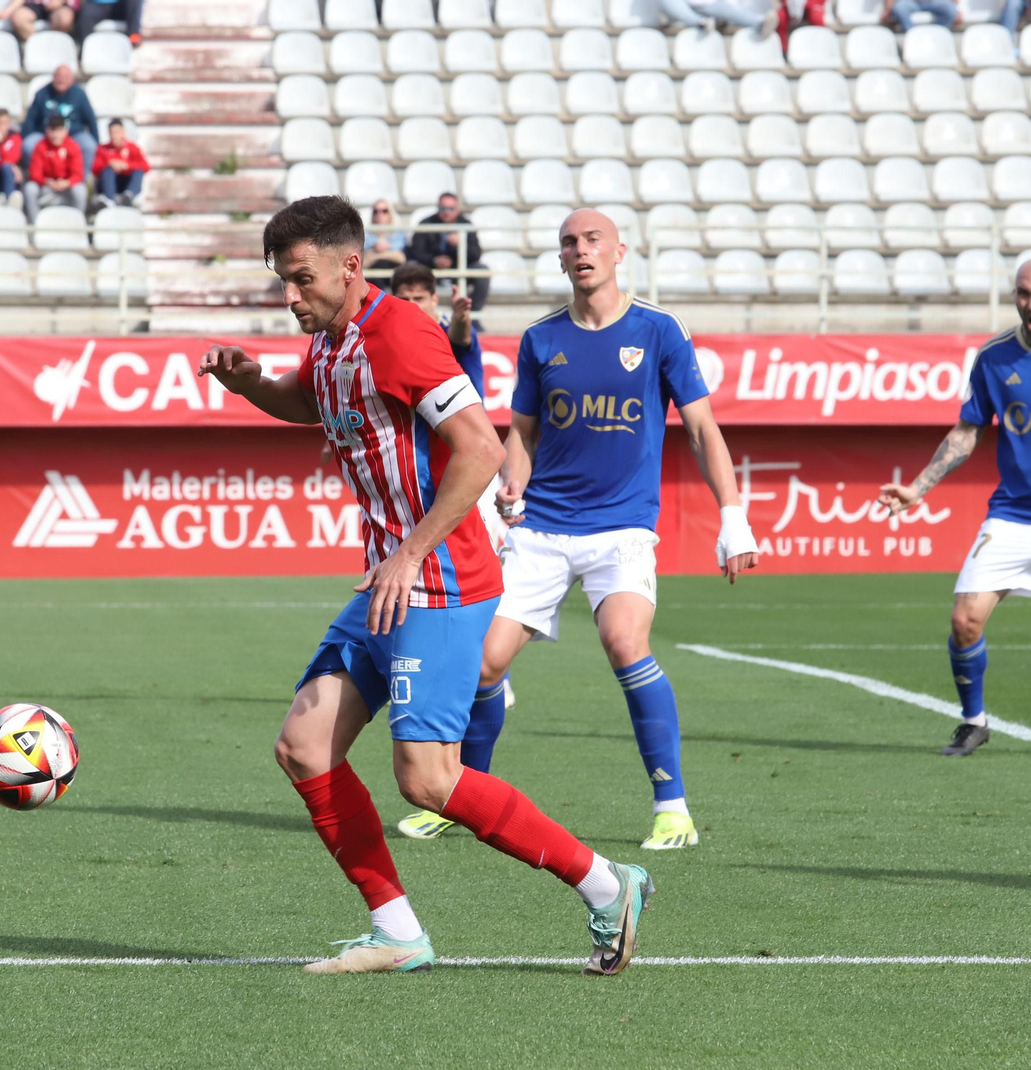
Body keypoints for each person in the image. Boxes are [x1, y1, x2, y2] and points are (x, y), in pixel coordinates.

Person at [196, 195, 653, 977]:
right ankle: (398, 931)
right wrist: (252, 387)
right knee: (304, 748)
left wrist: (409, 552)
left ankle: (609, 885)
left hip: (437, 578)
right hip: (389, 579)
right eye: (282, 282)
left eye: (301, 280)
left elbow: (480, 448)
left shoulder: (400, 331)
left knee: (428, 780)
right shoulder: (333, 342)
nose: (290, 297)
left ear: (349, 266)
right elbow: (309, 403)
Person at [475, 208, 759, 851]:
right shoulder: (541, 338)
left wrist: (734, 516)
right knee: (483, 666)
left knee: (625, 642)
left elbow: (701, 428)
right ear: (561, 258)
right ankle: (465, 793)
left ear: (618, 251)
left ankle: (672, 806)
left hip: (622, 527)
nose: (581, 250)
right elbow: (521, 433)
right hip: (542, 526)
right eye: (569, 242)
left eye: (592, 239)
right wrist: (507, 488)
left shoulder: (659, 329)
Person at [383, 261, 518, 841]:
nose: (414, 304)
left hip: (467, 498)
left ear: (436, 299)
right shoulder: (392, 345)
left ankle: (452, 790)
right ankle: (454, 789)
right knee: (485, 667)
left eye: (422, 296)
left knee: (481, 659)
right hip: (431, 502)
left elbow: (462, 343)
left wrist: (461, 321)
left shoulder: (443, 339)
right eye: (404, 295)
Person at [877, 260, 1031, 758]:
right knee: (965, 619)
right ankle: (974, 722)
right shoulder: (994, 357)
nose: (1030, 303)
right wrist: (919, 488)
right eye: (1023, 293)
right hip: (1011, 515)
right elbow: (968, 430)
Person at [407, 192, 488, 312]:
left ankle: (473, 315)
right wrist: (434, 260)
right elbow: (416, 251)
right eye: (443, 208)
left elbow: (476, 254)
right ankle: (413, 313)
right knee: (410, 268)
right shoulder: (426, 223)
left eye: (451, 208)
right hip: (429, 268)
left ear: (458, 209)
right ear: (438, 208)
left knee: (482, 271)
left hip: (457, 267)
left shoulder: (466, 224)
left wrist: (461, 245)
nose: (447, 212)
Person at [22, 65, 99, 178]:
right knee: (28, 145)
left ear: (72, 79)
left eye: (65, 76)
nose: (61, 80)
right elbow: (30, 119)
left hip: (73, 135)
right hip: (45, 136)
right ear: (53, 77)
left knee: (89, 145)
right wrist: (24, 138)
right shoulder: (42, 94)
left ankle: (81, 180)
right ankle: (37, 178)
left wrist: (97, 143)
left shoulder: (79, 94)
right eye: (58, 76)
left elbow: (91, 119)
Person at [25, 114, 86, 223]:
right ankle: (36, 225)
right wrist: (47, 181)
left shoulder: (73, 146)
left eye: (59, 130)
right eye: (53, 131)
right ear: (47, 131)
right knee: (30, 188)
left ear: (65, 131)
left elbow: (78, 174)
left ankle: (77, 224)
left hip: (67, 189)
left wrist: (67, 183)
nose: (56, 135)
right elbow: (34, 173)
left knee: (80, 190)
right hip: (46, 188)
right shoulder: (41, 146)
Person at [91, 118, 148, 209]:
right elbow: (95, 168)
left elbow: (145, 166)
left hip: (125, 183)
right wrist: (110, 164)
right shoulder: (102, 149)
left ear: (123, 132)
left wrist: (126, 166)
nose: (114, 136)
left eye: (117, 132)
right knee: (107, 170)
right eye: (111, 133)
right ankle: (109, 200)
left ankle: (129, 196)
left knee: (138, 171)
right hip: (108, 184)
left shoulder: (132, 148)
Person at [660, 0, 781, 33]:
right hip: (679, 9)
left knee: (726, 8)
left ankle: (759, 22)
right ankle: (701, 23)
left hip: (706, 5)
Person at [364, 200, 407, 274]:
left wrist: (374, 253)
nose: (379, 214)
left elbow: (402, 258)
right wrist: (390, 253)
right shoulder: (365, 235)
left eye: (384, 211)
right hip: (373, 271)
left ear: (390, 213)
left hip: (394, 269)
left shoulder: (399, 233)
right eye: (375, 211)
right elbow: (364, 262)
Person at [0, 0, 73, 41]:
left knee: (64, 18)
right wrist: (9, 10)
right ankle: (38, 47)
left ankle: (54, 45)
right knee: (19, 17)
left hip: (60, 6)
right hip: (34, 4)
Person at [74, 0, 142, 44]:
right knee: (85, 15)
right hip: (96, 4)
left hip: (121, 5)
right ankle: (84, 53)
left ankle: (134, 34)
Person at [882, 0, 957, 29]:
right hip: (911, 2)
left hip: (935, 2)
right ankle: (913, 35)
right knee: (899, 8)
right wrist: (888, 10)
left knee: (950, 9)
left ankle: (938, 35)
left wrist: (957, 10)